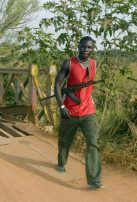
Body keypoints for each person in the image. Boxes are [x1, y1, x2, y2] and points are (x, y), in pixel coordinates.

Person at [54, 36, 103, 190]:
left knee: (93, 143)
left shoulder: (94, 64)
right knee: (64, 140)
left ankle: (94, 180)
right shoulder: (69, 62)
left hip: (88, 111)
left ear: (92, 49)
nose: (85, 50)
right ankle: (61, 162)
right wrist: (61, 106)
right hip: (70, 111)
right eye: (83, 47)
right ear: (78, 46)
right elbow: (57, 84)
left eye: (89, 47)